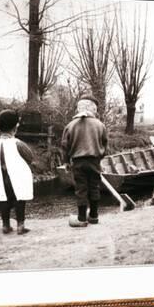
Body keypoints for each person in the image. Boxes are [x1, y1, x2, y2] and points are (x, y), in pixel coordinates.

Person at [61, 96, 108, 227]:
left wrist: (66, 162)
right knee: (94, 187)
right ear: (94, 108)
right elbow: (105, 144)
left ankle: (81, 218)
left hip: (78, 162)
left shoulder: (70, 125)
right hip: (94, 161)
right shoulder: (100, 125)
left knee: (81, 189)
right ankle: (94, 216)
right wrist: (100, 157)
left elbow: (65, 146)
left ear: (79, 108)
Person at [0, 109, 34, 235]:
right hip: (16, 177)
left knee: (5, 200)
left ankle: (5, 225)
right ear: (14, 127)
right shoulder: (17, 143)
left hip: (2, 177)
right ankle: (20, 225)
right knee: (19, 200)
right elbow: (30, 157)